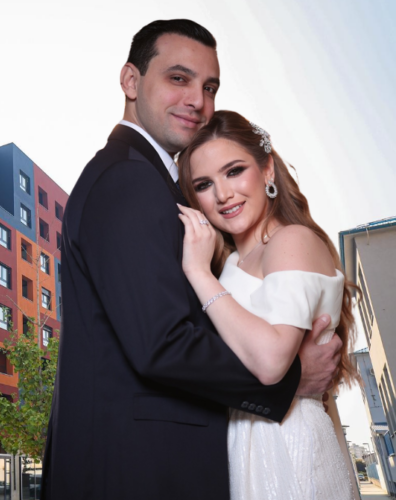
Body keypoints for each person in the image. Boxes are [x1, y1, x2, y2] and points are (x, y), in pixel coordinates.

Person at [41, 20, 341, 499]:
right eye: (178, 78)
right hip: (136, 471)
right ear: (131, 81)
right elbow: (161, 343)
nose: (198, 101)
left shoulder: (152, 184)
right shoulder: (128, 179)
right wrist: (291, 379)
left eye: (210, 87)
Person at [176, 110, 359, 499]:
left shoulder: (291, 240)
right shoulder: (227, 265)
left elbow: (272, 361)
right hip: (240, 447)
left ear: (267, 170)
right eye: (204, 184)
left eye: (234, 171)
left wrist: (198, 272)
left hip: (289, 447)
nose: (223, 194)